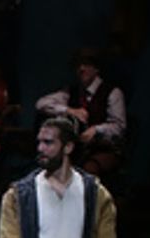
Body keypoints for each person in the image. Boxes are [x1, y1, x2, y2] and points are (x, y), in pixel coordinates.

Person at [35, 48, 127, 182]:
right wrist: (69, 110)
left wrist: (96, 130)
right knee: (52, 164)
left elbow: (119, 127)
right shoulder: (71, 92)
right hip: (78, 150)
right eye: (78, 65)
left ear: (96, 68)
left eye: (87, 64)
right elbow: (41, 104)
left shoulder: (112, 93)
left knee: (88, 171)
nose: (81, 68)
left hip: (104, 148)